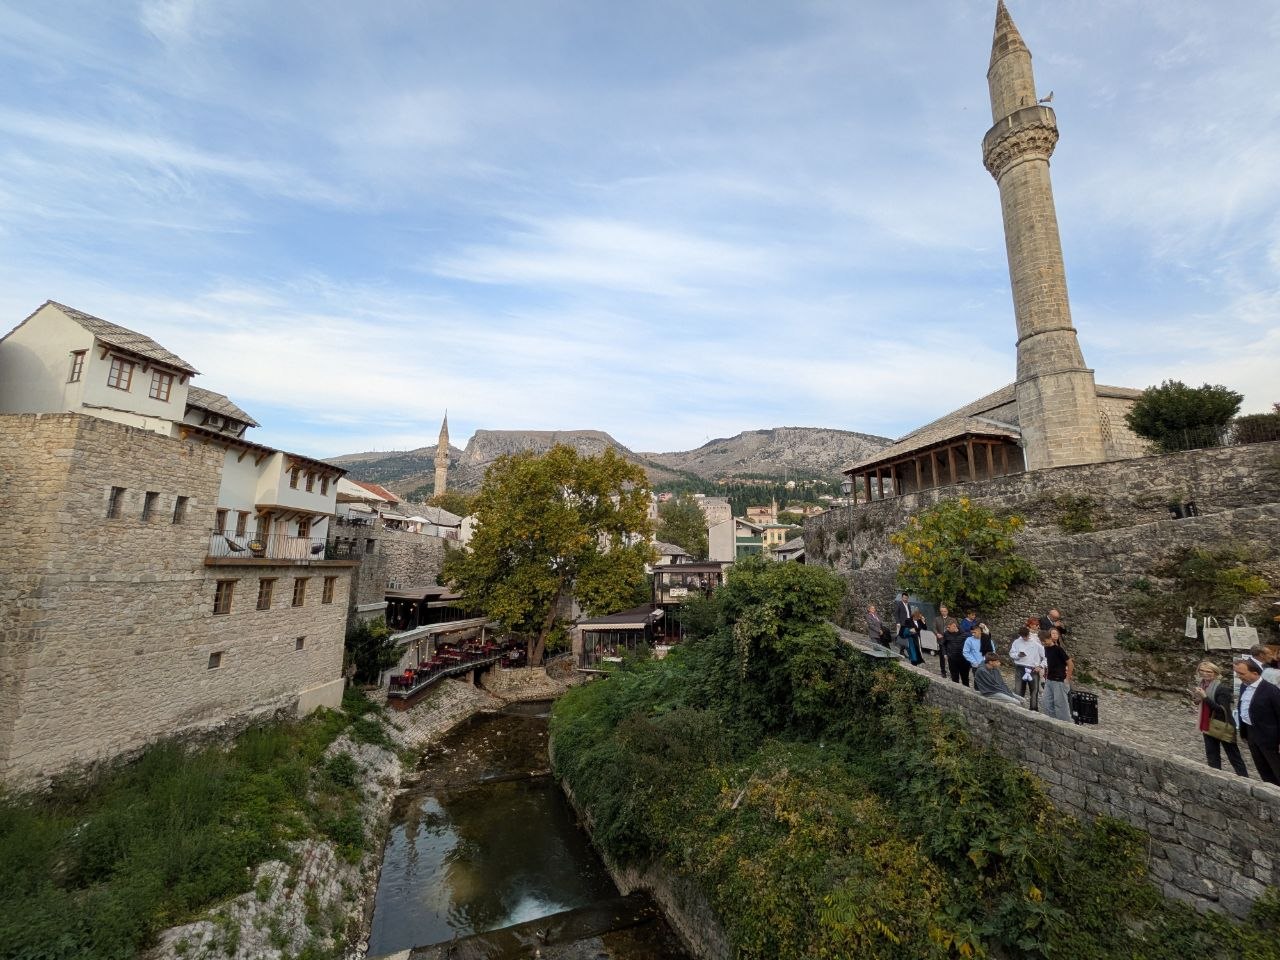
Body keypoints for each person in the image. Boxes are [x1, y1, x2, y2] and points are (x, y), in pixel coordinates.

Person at [1192, 661, 1248, 777]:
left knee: (1233, 756)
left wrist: (1205, 697)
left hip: (1223, 724)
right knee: (1212, 755)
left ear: (1216, 673)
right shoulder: (1202, 685)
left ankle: (1244, 779)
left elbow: (1222, 710)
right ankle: (1215, 777)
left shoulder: (1222, 689)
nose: (1204, 673)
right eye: (1202, 670)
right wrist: (1197, 699)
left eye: (1208, 671)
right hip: (1207, 723)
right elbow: (1201, 702)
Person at [1234, 656, 1280, 786]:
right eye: (1237, 673)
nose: (1239, 676)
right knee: (1262, 768)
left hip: (1270, 738)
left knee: (1276, 768)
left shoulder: (1271, 690)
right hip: (1251, 733)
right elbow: (1242, 707)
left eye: (1242, 673)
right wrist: (1244, 733)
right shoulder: (1244, 686)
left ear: (1255, 673)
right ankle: (1270, 791)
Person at [1008, 625, 1045, 711]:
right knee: (1018, 689)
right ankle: (1018, 708)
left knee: (1034, 690)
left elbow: (1045, 657)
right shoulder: (1016, 642)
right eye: (1023, 636)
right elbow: (1011, 653)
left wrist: (1040, 666)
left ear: (1029, 634)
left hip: (1033, 669)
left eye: (1026, 636)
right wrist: (1018, 655)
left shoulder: (1037, 643)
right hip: (1020, 667)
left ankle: (1034, 708)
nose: (1025, 638)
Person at [1041, 628, 1074, 722]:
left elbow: (1070, 663)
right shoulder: (1046, 649)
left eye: (1045, 641)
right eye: (1042, 642)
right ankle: (1053, 722)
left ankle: (1067, 725)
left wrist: (1067, 679)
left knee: (1061, 705)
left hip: (1059, 680)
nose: (1044, 643)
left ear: (1049, 638)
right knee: (1046, 703)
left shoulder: (1058, 649)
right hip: (1049, 679)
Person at [941, 617, 970, 687]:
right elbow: (943, 644)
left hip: (963, 660)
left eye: (948, 627)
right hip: (952, 659)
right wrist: (944, 653)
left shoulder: (964, 634)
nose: (947, 629)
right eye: (946, 627)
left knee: (965, 678)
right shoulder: (946, 633)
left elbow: (970, 641)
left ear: (954, 626)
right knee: (954, 678)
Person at [932, 604, 952, 677]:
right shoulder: (937, 619)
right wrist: (937, 634)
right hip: (941, 640)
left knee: (950, 657)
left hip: (950, 641)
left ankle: (952, 671)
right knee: (942, 657)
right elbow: (934, 627)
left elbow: (956, 628)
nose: (943, 612)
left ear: (947, 611)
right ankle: (943, 671)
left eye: (945, 611)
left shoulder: (952, 619)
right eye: (942, 611)